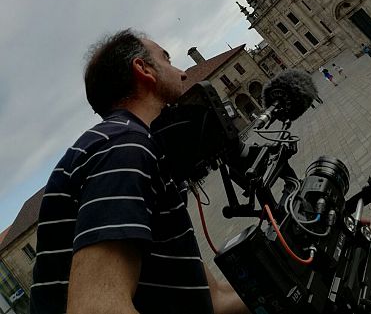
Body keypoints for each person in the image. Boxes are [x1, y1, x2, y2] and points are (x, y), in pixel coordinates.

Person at [30, 29, 249, 314]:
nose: (182, 73)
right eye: (166, 59)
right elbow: (96, 309)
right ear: (143, 69)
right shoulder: (122, 146)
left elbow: (214, 300)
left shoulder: (142, 150)